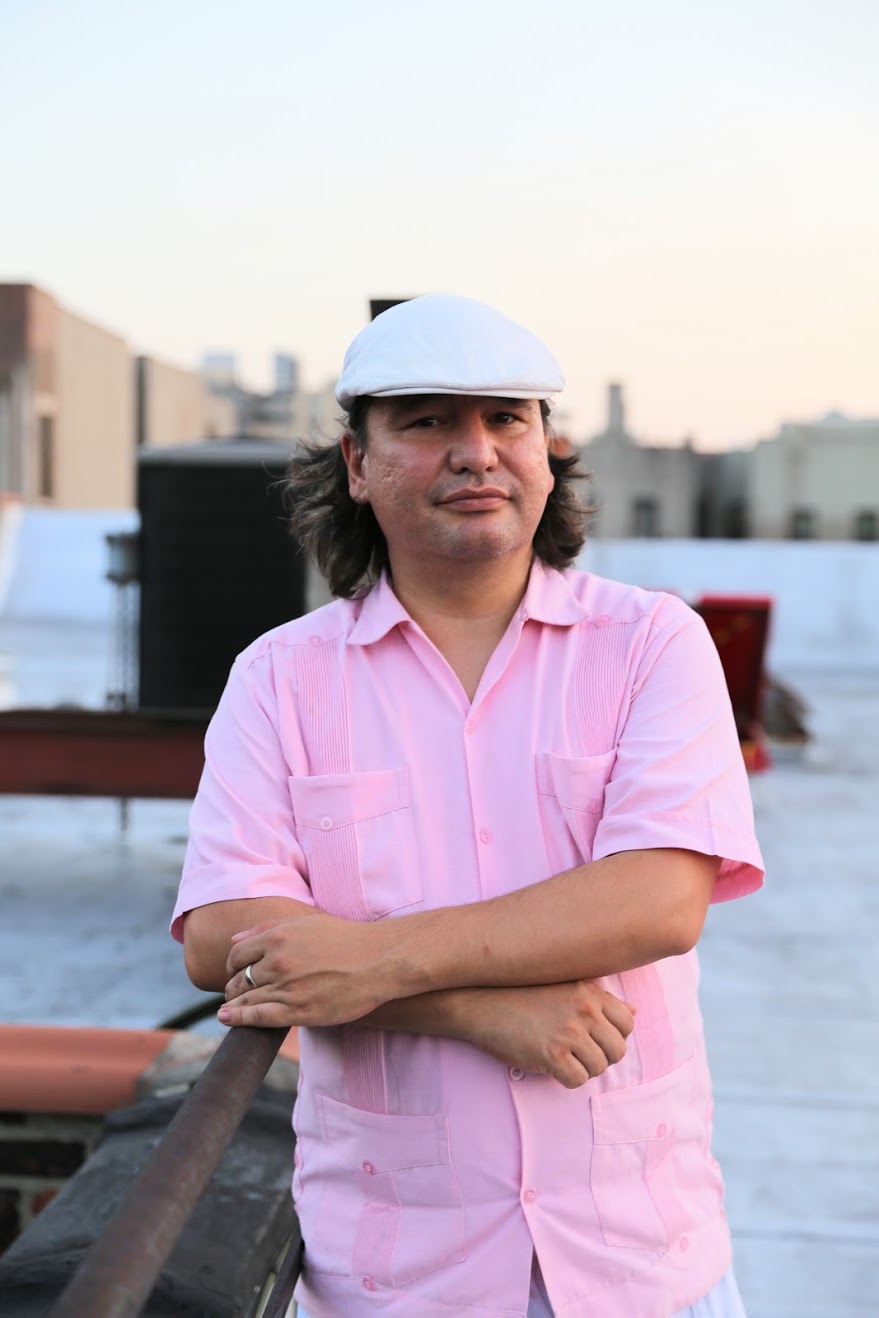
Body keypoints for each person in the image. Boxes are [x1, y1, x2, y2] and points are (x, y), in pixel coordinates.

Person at [172, 294, 764, 1318]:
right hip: (395, 1271)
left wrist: (373, 963)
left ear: (548, 451)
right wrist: (474, 1007)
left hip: (640, 1256)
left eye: (505, 419)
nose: (476, 452)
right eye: (427, 421)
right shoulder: (280, 678)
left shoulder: (652, 645)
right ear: (356, 465)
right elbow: (223, 935)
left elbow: (657, 900)